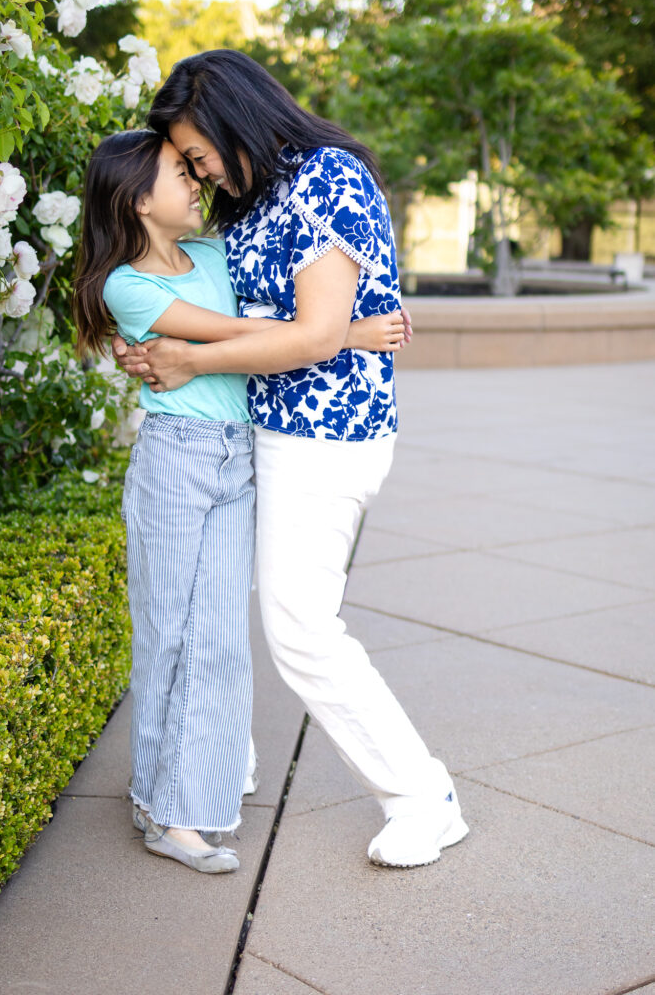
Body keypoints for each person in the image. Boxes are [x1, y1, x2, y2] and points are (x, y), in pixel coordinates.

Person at [113, 50, 469, 868]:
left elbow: (309, 335)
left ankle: (423, 798)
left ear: (235, 119)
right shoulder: (257, 194)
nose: (200, 175)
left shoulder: (327, 180)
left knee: (301, 629)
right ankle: (213, 772)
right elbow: (242, 313)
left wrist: (188, 359)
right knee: (214, 607)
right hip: (258, 427)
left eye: (199, 156)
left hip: (327, 434)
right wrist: (163, 343)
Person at [73, 129, 406, 875]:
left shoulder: (219, 256)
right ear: (136, 200)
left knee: (218, 638)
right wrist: (346, 334)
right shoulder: (128, 285)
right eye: (179, 172)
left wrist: (325, 329)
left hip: (239, 457)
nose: (197, 181)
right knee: (170, 633)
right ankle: (171, 814)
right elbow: (232, 333)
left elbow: (275, 327)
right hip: (177, 464)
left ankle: (183, 803)